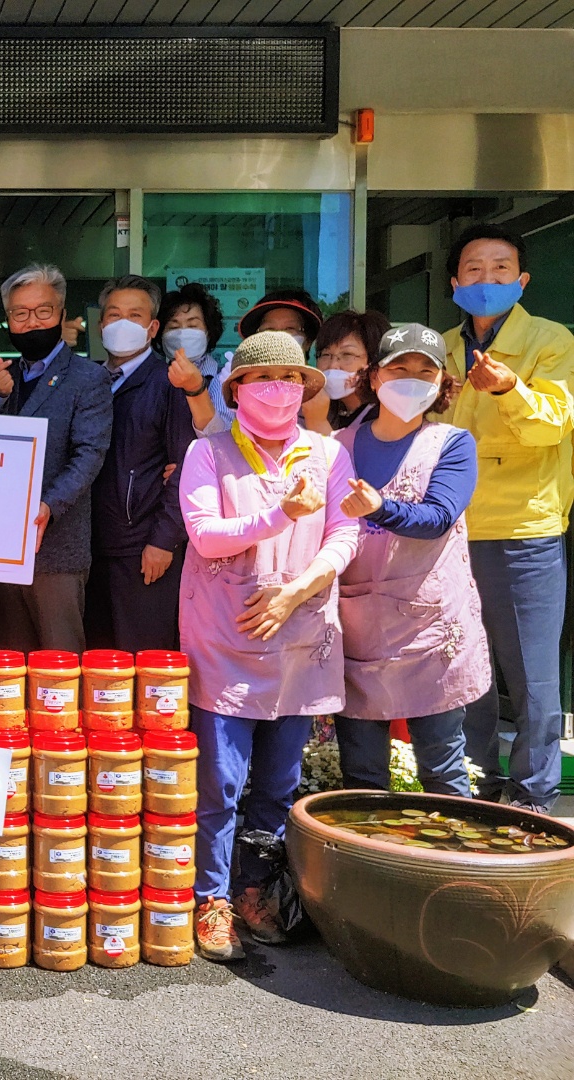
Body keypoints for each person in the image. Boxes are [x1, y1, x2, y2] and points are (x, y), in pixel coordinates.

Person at [177, 331, 359, 963]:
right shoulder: (209, 452)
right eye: (262, 378)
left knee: (279, 781)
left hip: (300, 634)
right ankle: (210, 896)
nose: (278, 388)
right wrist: (281, 514)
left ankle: (256, 886)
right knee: (218, 781)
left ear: (306, 389)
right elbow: (206, 536)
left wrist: (297, 590)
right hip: (225, 633)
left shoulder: (329, 454)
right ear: (236, 391)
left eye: (290, 377)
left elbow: (345, 534)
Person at [439, 223, 574, 813]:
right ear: (454, 283)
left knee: (532, 677)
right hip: (449, 531)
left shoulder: (551, 340)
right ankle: (476, 784)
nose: (487, 279)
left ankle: (531, 797)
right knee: (465, 670)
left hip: (523, 530)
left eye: (500, 269)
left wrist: (507, 388)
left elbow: (551, 424)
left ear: (521, 279)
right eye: (474, 269)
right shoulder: (442, 345)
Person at [333, 324, 488, 796]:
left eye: (427, 371)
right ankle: (372, 867)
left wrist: (380, 508)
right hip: (356, 628)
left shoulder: (453, 444)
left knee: (442, 769)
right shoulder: (336, 446)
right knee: (361, 777)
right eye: (399, 368)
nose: (412, 379)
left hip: (432, 631)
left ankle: (456, 870)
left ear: (442, 384)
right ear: (374, 378)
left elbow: (439, 517)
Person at [0, 263, 112, 653]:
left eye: (43, 311)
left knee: (59, 661)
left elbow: (90, 454)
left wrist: (49, 505)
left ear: (61, 313)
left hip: (55, 544)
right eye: (20, 313)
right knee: (8, 661)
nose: (32, 322)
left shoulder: (88, 378)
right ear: (8, 320)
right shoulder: (4, 376)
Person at [85, 276, 196, 653]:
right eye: (114, 315)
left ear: (152, 328)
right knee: (99, 664)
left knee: (144, 659)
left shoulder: (168, 384)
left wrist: (164, 540)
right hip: (89, 545)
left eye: (135, 316)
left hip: (143, 549)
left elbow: (185, 468)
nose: (122, 323)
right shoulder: (88, 380)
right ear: (101, 326)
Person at [172, 286, 325, 439]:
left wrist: (317, 420)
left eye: (290, 328)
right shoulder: (236, 380)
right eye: (269, 329)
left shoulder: (326, 390)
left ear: (308, 341)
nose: (278, 336)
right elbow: (218, 440)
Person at [161, 280, 233, 435]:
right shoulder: (153, 377)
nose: (182, 333)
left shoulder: (222, 380)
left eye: (193, 326)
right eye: (173, 327)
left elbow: (222, 438)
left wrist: (196, 389)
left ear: (208, 332)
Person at [301, 310, 389, 435]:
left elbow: (343, 454)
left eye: (347, 355)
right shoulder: (332, 410)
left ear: (374, 362)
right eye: (326, 355)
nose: (333, 365)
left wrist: (317, 422)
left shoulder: (382, 417)